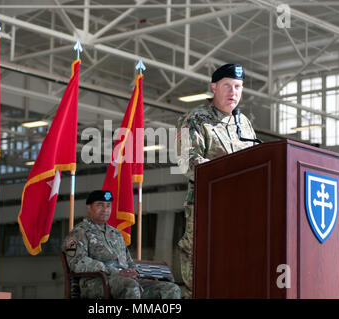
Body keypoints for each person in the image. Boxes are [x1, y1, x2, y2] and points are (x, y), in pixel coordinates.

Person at [176, 63, 258, 298]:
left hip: (242, 214)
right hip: (208, 212)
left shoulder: (244, 124)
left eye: (238, 87)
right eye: (227, 86)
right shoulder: (194, 119)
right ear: (214, 87)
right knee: (204, 279)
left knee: (237, 277)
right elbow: (187, 162)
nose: (233, 92)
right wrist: (228, 173)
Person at [63, 190, 181, 299]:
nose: (105, 209)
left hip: (124, 280)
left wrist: (134, 271)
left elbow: (128, 261)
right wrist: (114, 271)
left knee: (171, 289)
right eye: (100, 205)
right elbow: (77, 263)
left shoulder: (116, 233)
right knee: (130, 286)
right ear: (89, 208)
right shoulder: (78, 233)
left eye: (108, 206)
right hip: (96, 283)